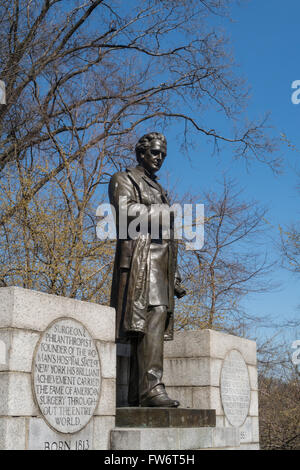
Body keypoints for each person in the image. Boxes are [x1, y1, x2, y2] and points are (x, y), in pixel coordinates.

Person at [109, 132, 186, 407]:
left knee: (155, 320)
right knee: (147, 322)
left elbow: (166, 235)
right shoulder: (124, 179)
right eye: (155, 152)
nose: (159, 158)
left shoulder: (158, 188)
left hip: (160, 265)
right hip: (140, 262)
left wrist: (174, 274)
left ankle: (139, 393)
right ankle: (151, 389)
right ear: (141, 153)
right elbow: (124, 212)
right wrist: (166, 213)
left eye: (163, 154)